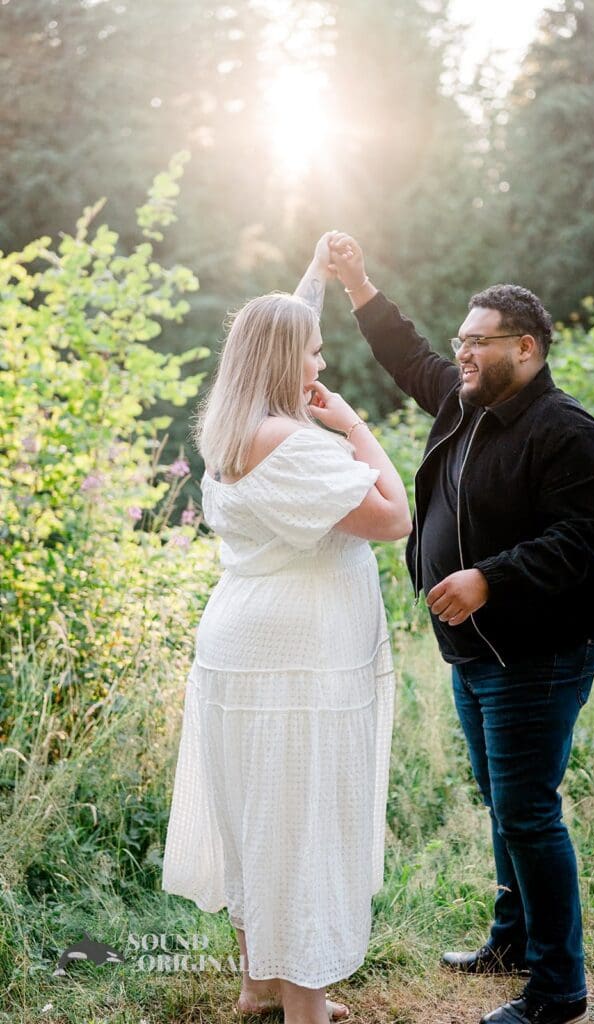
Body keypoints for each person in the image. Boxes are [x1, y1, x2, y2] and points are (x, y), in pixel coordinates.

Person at [327, 232, 594, 1024]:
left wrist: (489, 577)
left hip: (541, 650)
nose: (458, 353)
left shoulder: (568, 432)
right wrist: (357, 281)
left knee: (526, 809)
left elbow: (578, 540)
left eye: (475, 342)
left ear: (524, 348)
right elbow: (405, 353)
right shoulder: (465, 400)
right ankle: (511, 941)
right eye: (459, 340)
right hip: (475, 649)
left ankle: (558, 988)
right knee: (503, 800)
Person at [161, 234, 411, 1024]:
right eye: (313, 356)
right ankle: (304, 1004)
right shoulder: (294, 445)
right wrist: (357, 427)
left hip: (243, 649)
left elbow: (283, 323)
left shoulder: (232, 429)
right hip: (296, 662)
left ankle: (255, 982)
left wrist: (318, 272)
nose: (322, 369)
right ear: (281, 364)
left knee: (254, 813)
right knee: (300, 820)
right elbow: (393, 518)